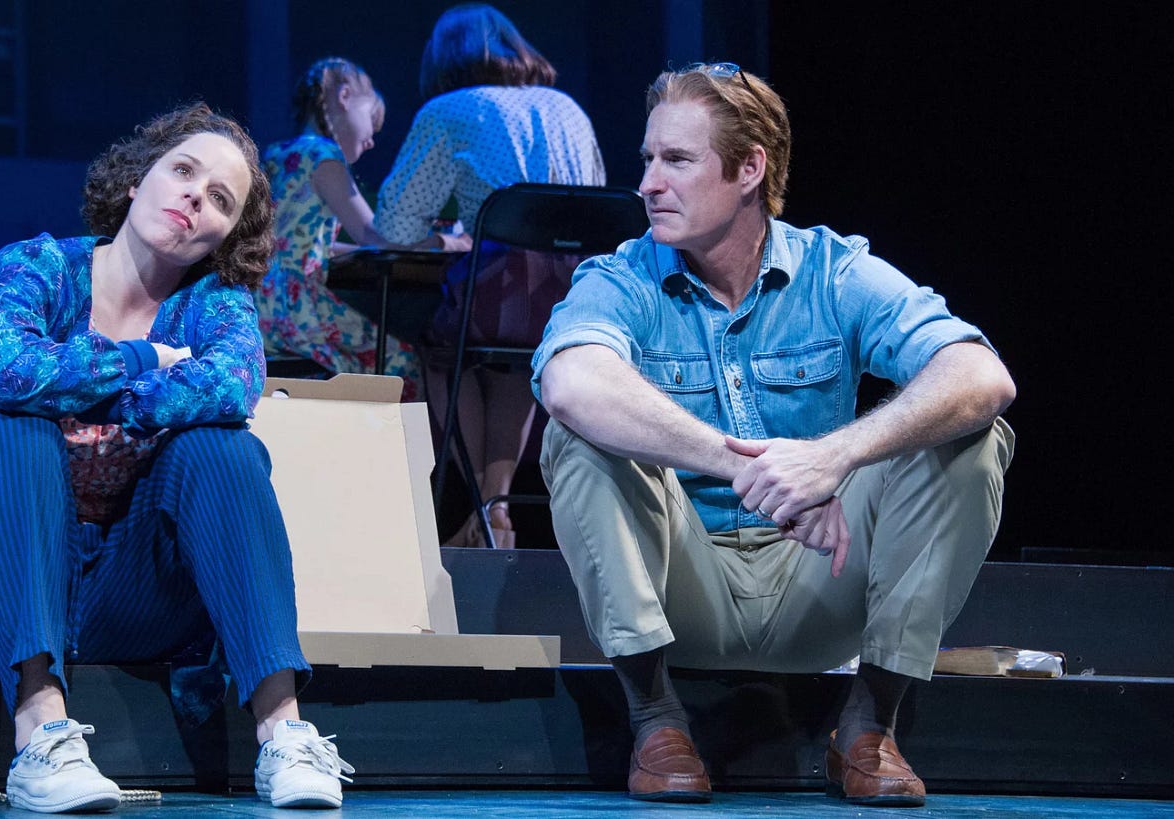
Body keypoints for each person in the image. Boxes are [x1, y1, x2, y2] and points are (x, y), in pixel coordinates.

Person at [533, 63, 1015, 807]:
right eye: (647, 159)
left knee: (971, 437)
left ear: (749, 169)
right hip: (682, 583)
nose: (648, 184)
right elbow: (571, 383)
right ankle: (656, 719)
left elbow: (981, 374)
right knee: (582, 434)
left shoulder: (834, 271)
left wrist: (833, 456)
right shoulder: (622, 276)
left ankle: (867, 725)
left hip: (819, 580)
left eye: (677, 161)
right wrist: (747, 467)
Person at [0, 100, 354, 813]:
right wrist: (145, 360)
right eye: (183, 170)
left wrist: (76, 392)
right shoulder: (37, 266)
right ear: (138, 179)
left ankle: (284, 734)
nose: (195, 195)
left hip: (131, 591)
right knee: (12, 429)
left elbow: (231, 384)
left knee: (222, 447)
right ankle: (41, 737)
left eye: (220, 198)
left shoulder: (216, 304)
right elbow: (8, 367)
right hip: (14, 579)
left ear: (223, 236)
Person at [374, 2, 605, 549]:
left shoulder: (450, 110)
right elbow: (594, 204)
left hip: (503, 287)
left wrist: (450, 237)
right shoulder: (567, 108)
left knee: (437, 349)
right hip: (578, 296)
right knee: (515, 359)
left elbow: (395, 224)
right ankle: (495, 507)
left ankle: (481, 506)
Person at [255, 57, 470, 401]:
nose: (371, 141)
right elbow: (379, 237)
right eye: (372, 121)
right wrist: (450, 241)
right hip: (294, 308)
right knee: (403, 365)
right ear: (344, 96)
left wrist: (354, 251)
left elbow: (299, 242)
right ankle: (402, 452)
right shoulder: (325, 157)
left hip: (260, 302)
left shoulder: (280, 153)